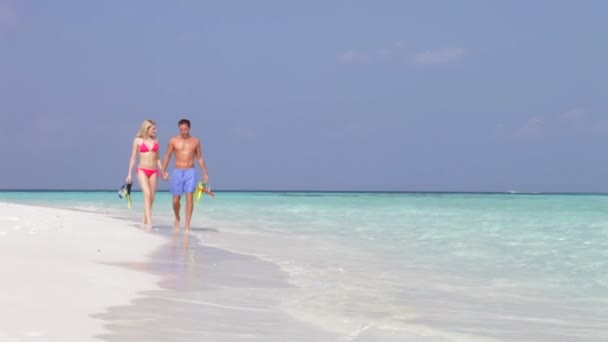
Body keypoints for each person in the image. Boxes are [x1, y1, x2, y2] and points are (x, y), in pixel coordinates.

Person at [161, 119, 209, 231]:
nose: (183, 131)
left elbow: (200, 158)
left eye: (185, 129)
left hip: (190, 171)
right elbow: (167, 156)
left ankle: (187, 225)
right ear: (179, 128)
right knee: (175, 200)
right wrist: (163, 171)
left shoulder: (195, 141)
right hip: (177, 171)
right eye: (181, 129)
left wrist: (205, 173)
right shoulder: (173, 140)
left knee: (189, 197)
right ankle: (177, 217)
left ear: (189, 128)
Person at [126, 119, 164, 231]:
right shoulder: (137, 140)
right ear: (147, 128)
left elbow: (158, 158)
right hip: (142, 170)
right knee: (147, 194)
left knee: (151, 197)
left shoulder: (156, 140)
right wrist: (129, 174)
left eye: (155, 128)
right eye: (153, 128)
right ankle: (150, 222)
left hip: (154, 171)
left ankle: (144, 218)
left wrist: (162, 171)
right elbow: (133, 157)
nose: (155, 130)